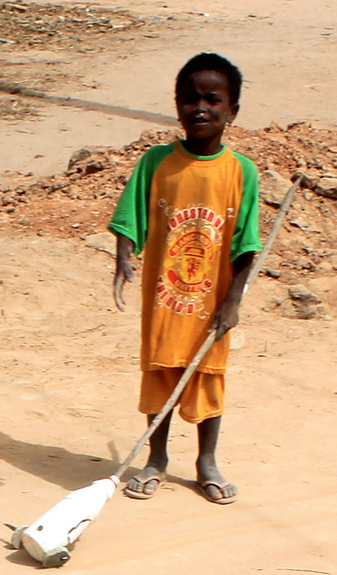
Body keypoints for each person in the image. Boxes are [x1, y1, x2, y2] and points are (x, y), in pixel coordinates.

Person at [108, 52, 262, 504]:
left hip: (211, 302)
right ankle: (156, 459)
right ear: (176, 105)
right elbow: (129, 217)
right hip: (163, 299)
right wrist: (122, 260)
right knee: (160, 372)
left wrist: (233, 300)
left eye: (213, 100)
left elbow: (247, 245)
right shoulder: (156, 162)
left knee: (207, 374)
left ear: (232, 110)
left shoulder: (241, 172)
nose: (200, 108)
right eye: (189, 99)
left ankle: (206, 461)